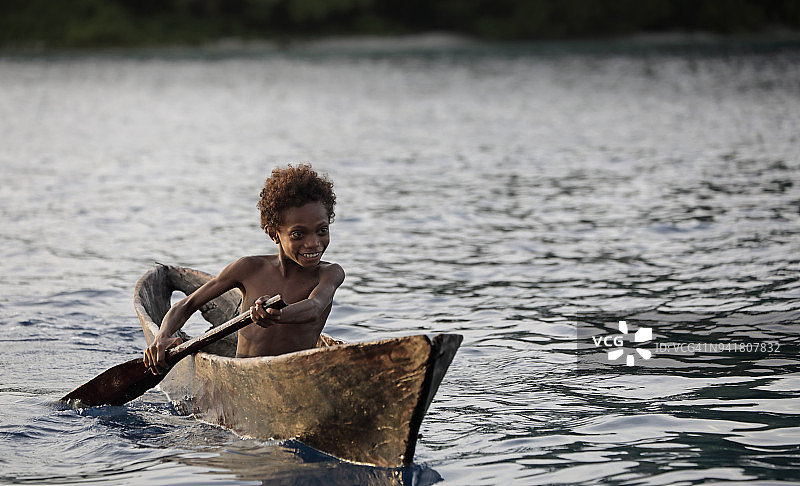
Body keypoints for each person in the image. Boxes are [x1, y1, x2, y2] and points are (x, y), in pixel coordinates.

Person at [143, 163, 345, 375]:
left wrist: (278, 313)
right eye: (298, 234)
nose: (313, 243)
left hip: (293, 375)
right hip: (240, 376)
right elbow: (187, 304)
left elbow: (314, 307)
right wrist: (162, 336)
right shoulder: (248, 269)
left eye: (322, 230)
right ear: (273, 234)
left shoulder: (330, 273)